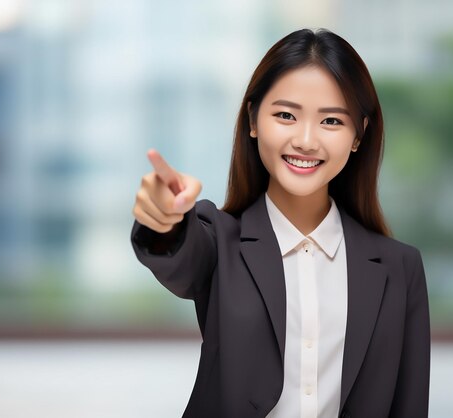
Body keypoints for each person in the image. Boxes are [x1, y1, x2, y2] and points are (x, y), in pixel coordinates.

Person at [131, 28, 430, 418]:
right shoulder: (220, 241)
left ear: (359, 135)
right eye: (286, 115)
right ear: (253, 119)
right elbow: (181, 255)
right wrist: (166, 220)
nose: (306, 140)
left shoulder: (399, 268)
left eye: (332, 122)